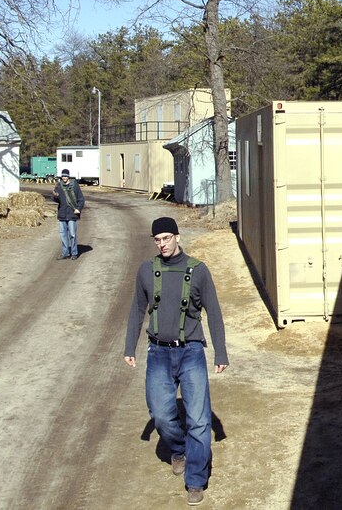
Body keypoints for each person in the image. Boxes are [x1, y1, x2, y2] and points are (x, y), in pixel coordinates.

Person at [124, 217, 229, 506]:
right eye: (157, 240)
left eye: (167, 238)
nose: (162, 244)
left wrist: (220, 352)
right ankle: (179, 448)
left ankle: (195, 480)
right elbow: (136, 309)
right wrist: (129, 346)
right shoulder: (147, 270)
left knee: (198, 419)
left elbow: (214, 312)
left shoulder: (198, 270)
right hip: (158, 352)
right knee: (160, 413)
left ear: (178, 237)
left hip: (191, 351)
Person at [52, 168, 84, 260]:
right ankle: (65, 253)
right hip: (62, 213)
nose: (64, 177)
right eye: (63, 176)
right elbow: (55, 199)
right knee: (63, 235)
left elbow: (81, 199)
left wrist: (78, 208)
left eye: (65, 176)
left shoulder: (74, 185)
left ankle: (74, 253)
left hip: (72, 213)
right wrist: (55, 197)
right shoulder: (58, 186)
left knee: (72, 234)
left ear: (68, 176)